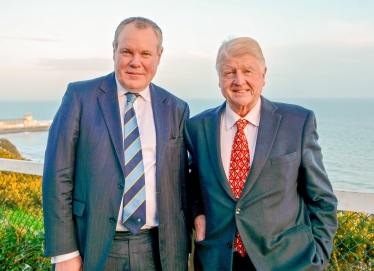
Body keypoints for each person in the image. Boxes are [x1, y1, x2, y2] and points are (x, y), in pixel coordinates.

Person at [42, 17, 190, 271]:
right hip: (94, 244)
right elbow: (57, 176)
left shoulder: (176, 108)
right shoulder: (80, 97)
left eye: (145, 53)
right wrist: (65, 252)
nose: (136, 62)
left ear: (159, 56)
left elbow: (186, 180)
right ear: (114, 51)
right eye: (127, 52)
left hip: (159, 249)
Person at [184, 37, 338, 271]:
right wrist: (198, 216)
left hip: (286, 262)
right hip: (219, 261)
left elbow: (321, 198)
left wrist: (319, 257)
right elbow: (193, 182)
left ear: (263, 75)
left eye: (248, 70)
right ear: (219, 79)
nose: (239, 80)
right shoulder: (197, 128)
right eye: (229, 72)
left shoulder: (297, 122)